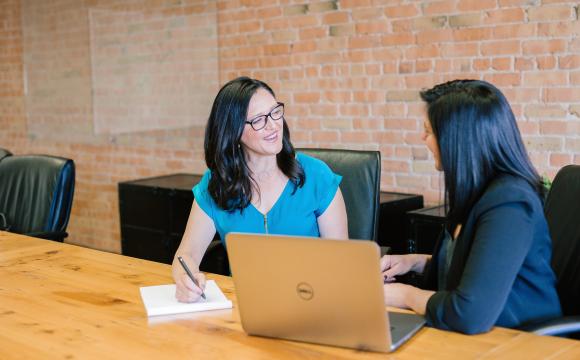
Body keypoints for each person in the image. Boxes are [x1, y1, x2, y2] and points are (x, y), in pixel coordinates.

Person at [380, 80, 562, 334]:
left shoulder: (510, 204)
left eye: (428, 131)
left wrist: (406, 295)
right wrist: (414, 262)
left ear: (457, 140)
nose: (423, 138)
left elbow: (469, 313)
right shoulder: (478, 192)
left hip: (520, 341)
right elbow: (474, 265)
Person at [173, 77, 348, 302]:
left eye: (275, 112)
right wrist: (185, 280)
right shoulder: (216, 185)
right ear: (234, 132)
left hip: (311, 302)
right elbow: (187, 254)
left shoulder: (317, 176)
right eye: (258, 120)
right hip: (244, 307)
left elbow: (341, 262)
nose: (274, 125)